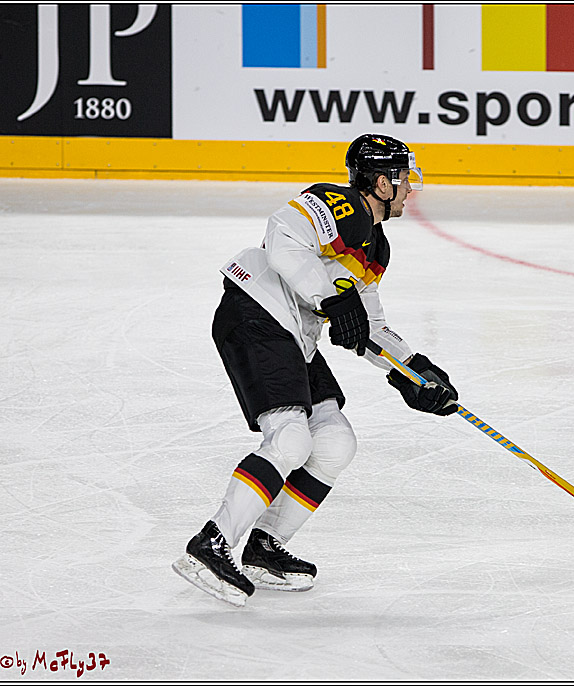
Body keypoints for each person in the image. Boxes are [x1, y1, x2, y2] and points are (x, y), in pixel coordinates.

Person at [172, 134, 460, 607]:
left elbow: (367, 322)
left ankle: (263, 546)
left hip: (295, 335)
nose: (412, 189)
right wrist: (330, 297)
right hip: (256, 313)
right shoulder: (338, 203)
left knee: (334, 442)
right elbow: (282, 236)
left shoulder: (376, 248)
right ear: (382, 183)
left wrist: (413, 371)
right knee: (289, 438)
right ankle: (212, 544)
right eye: (405, 178)